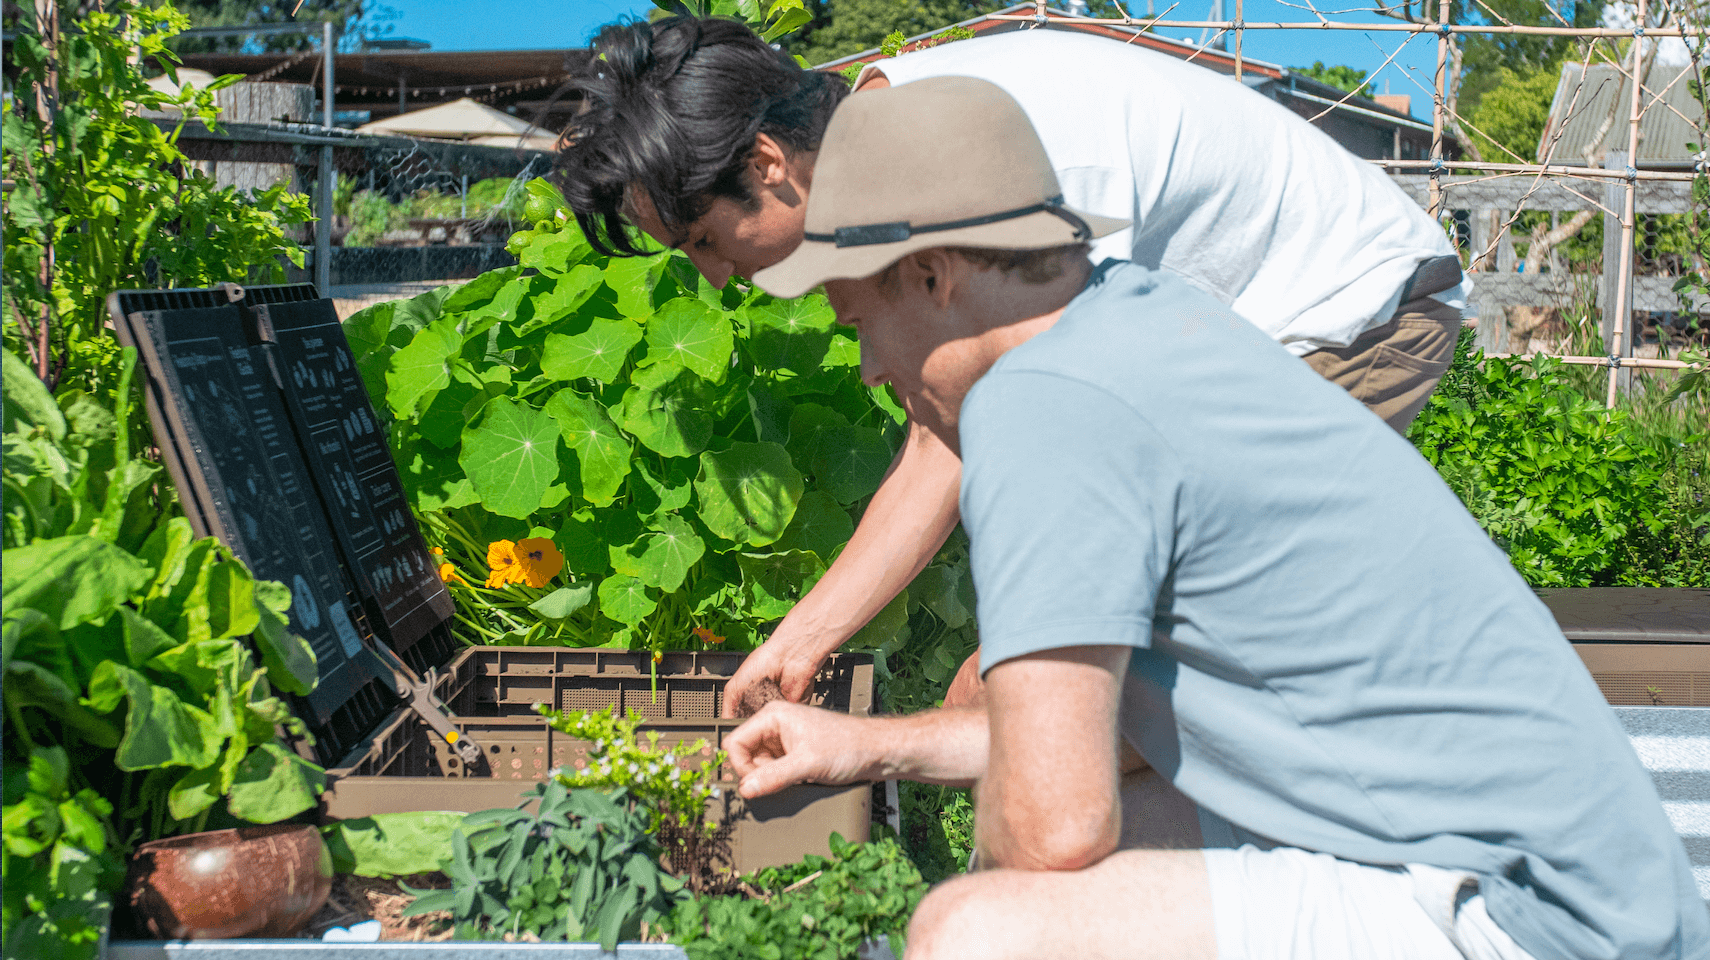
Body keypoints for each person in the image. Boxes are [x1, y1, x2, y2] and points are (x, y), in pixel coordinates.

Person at [724, 76, 1704, 960]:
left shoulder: (1042, 404)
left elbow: (1052, 827)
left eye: (859, 325)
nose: (866, 369)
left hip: (1533, 920)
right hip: (1600, 892)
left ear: (935, 275)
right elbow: (1089, 749)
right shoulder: (1144, 321)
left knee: (977, 933)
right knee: (1109, 816)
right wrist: (869, 745)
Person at [553, 16, 1470, 714]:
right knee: (1046, 691)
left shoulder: (982, 143)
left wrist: (995, 677)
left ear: (768, 163)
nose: (714, 277)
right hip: (1214, 343)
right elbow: (951, 427)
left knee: (1070, 688)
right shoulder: (888, 148)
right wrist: (802, 643)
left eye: (707, 240)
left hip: (1343, 322)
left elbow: (1017, 435)